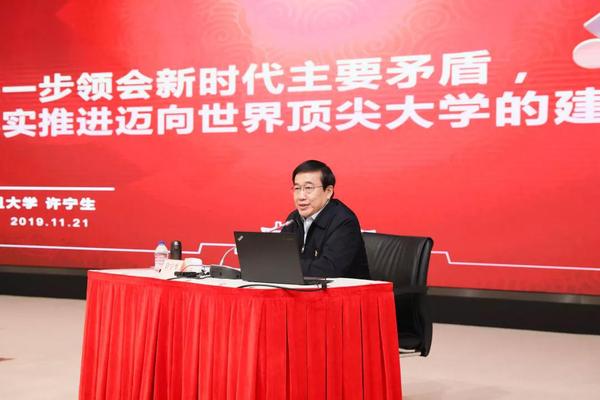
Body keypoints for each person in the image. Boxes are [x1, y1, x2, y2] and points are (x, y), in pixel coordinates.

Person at [281, 160, 370, 279]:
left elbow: (330, 269)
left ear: (328, 191)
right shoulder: (293, 219)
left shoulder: (344, 221)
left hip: (346, 289)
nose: (301, 196)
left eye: (308, 188)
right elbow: (279, 258)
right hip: (305, 287)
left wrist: (284, 267)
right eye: (297, 188)